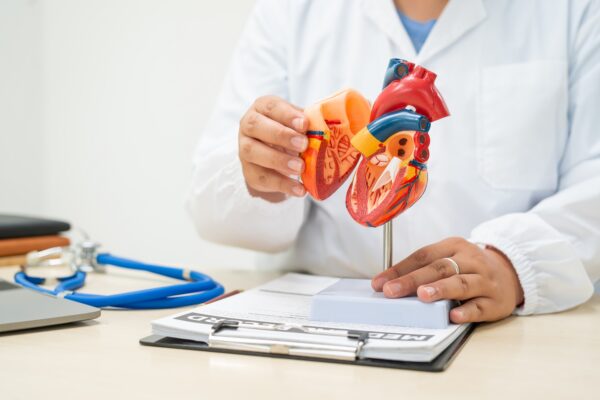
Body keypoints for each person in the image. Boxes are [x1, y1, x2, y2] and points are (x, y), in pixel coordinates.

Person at [187, 0, 600, 323]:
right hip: (321, 320)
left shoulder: (575, 10)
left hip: (504, 326)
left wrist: (514, 262)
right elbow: (211, 208)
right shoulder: (292, 10)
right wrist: (265, 171)